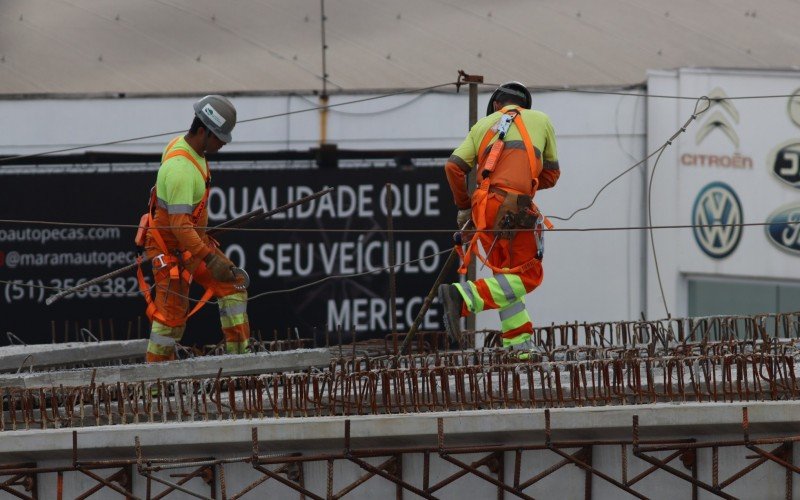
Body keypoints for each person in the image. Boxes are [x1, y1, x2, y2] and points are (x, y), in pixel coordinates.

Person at [438, 82, 560, 355]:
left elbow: (453, 167)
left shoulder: (482, 125)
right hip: (515, 206)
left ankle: (520, 348)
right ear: (525, 105)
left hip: (484, 207)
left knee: (505, 279)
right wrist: (521, 180)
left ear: (496, 105)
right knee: (528, 275)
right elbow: (551, 175)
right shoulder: (541, 120)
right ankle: (462, 297)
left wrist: (464, 207)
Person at [140, 95, 250, 362]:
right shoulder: (180, 169)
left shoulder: (190, 149)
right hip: (172, 250)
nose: (224, 143)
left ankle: (240, 363)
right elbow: (179, 227)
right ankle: (155, 388)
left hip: (190, 245)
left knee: (233, 286)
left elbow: (185, 224)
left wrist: (201, 241)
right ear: (202, 131)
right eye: (220, 137)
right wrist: (210, 258)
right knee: (170, 323)